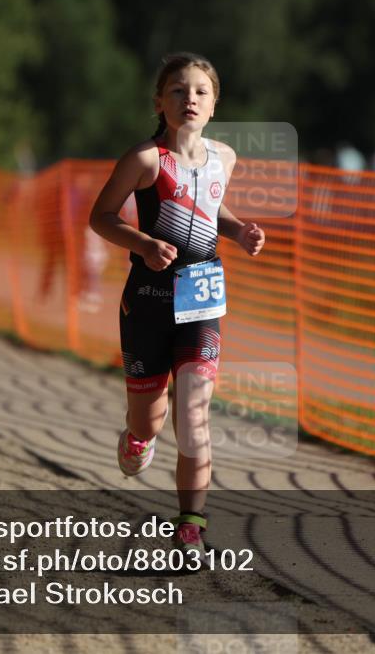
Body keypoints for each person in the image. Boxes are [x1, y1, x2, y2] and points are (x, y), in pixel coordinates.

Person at [88, 52, 265, 558]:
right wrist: (142, 244)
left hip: (202, 299)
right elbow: (100, 216)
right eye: (178, 90)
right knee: (151, 417)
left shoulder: (224, 158)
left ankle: (190, 525)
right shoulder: (145, 160)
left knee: (194, 412)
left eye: (201, 91)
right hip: (147, 303)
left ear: (214, 104)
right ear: (159, 102)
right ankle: (138, 435)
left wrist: (238, 230)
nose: (190, 98)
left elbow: (211, 207)